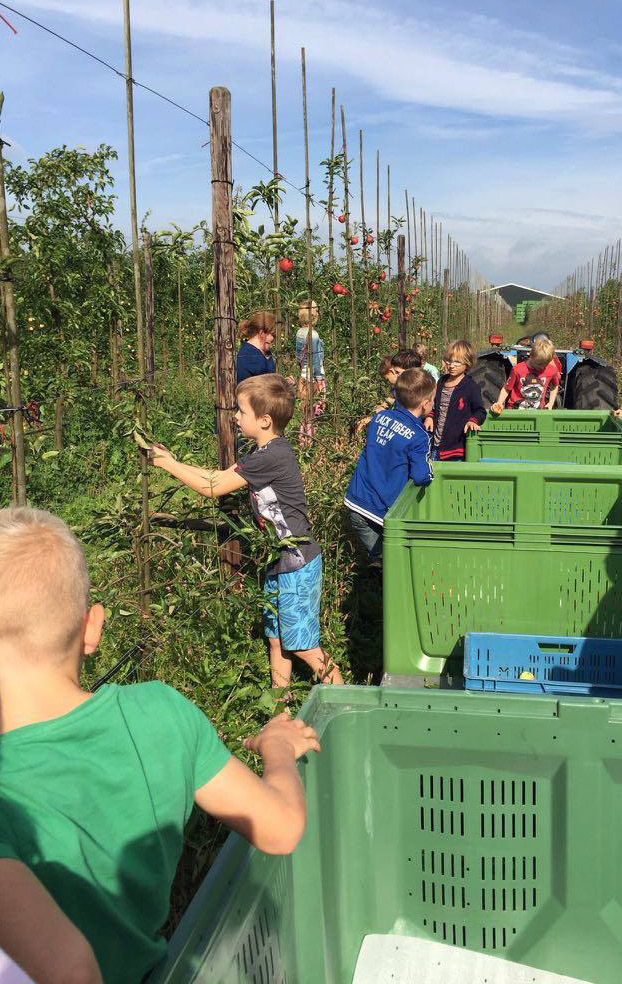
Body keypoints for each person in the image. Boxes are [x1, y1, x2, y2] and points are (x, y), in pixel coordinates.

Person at [0, 507, 321, 984]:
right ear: (93, 628)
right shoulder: (161, 711)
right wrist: (276, 746)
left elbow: (68, 968)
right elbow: (282, 827)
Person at [152, 374, 344, 689]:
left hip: (297, 563)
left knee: (303, 646)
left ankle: (346, 701)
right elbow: (218, 475)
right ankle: (279, 712)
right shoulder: (262, 453)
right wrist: (172, 460)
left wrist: (168, 466)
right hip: (279, 560)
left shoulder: (272, 456)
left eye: (241, 411)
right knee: (277, 641)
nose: (236, 417)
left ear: (265, 420)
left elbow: (212, 487)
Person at [345, 368, 435, 565]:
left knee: (383, 558)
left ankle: (378, 568)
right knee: (396, 563)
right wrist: (430, 472)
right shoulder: (419, 437)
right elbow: (420, 476)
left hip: (356, 502)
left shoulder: (379, 419)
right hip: (382, 511)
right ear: (425, 404)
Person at [424, 339, 486, 461]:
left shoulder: (471, 387)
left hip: (455, 449)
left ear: (467, 363)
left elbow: (480, 411)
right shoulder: (442, 381)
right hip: (434, 446)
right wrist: (430, 417)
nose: (452, 365)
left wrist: (473, 421)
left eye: (457, 362)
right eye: (449, 361)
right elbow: (436, 406)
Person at [355, 349, 422, 434]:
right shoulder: (398, 388)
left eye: (398, 372)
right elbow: (387, 403)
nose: (396, 375)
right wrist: (370, 417)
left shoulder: (418, 391)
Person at [491, 336, 560, 412]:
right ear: (531, 356)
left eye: (545, 364)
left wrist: (550, 403)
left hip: (538, 412)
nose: (542, 367)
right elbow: (506, 389)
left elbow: (555, 386)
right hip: (516, 411)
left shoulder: (551, 370)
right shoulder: (518, 369)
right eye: (539, 364)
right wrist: (500, 402)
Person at [296, 301, 326, 445]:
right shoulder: (313, 334)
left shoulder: (299, 332)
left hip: (303, 374)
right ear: (312, 315)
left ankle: (303, 441)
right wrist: (319, 380)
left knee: (305, 412)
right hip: (313, 376)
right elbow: (315, 359)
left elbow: (299, 357)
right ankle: (309, 443)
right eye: (317, 311)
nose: (318, 314)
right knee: (314, 411)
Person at [236, 310, 276, 384]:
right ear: (262, 333)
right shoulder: (248, 357)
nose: (274, 339)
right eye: (273, 334)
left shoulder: (264, 352)